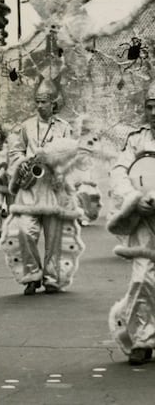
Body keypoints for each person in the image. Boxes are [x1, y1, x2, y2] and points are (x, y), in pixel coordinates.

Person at [0, 79, 85, 295]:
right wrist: (22, 164)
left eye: (44, 102)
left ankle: (52, 278)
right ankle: (32, 274)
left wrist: (60, 170)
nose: (39, 106)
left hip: (54, 189)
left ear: (54, 104)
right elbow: (15, 152)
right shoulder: (26, 126)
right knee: (24, 231)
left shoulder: (65, 128)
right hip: (30, 189)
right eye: (37, 102)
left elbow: (74, 157)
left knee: (54, 239)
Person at [107, 81, 155, 365]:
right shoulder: (136, 139)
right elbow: (119, 171)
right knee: (141, 280)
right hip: (144, 222)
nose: (153, 112)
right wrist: (134, 197)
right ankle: (142, 340)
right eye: (149, 107)